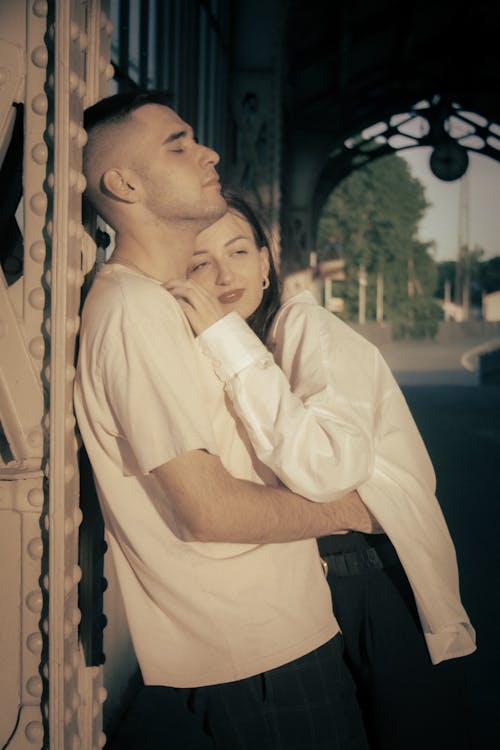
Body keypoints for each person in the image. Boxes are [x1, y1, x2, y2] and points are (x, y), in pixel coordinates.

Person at [75, 89, 376, 749]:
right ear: (124, 183)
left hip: (274, 640)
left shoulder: (164, 304)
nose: (207, 151)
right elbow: (205, 509)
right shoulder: (132, 312)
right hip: (257, 654)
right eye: (177, 144)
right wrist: (346, 511)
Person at [165, 190, 477, 750]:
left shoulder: (310, 331)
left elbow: (330, 467)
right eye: (198, 262)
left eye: (238, 252)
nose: (222, 274)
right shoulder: (231, 344)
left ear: (266, 262)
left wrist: (222, 336)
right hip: (302, 587)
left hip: (373, 581)